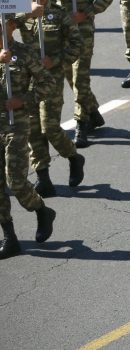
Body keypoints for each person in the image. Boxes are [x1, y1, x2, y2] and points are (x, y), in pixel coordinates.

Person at [16, 0, 86, 198]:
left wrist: (54, 60)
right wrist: (28, 15)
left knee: (49, 127)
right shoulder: (22, 13)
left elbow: (78, 45)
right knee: (33, 129)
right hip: (27, 80)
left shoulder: (59, 14)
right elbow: (4, 22)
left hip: (50, 79)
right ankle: (43, 176)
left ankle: (74, 157)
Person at [0, 15, 58, 259]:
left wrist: (22, 99)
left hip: (16, 125)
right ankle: (10, 237)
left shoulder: (22, 53)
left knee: (15, 182)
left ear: (12, 26)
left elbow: (48, 83)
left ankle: (41, 210)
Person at [55, 0, 113, 147]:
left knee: (80, 77)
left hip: (82, 30)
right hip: (60, 31)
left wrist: (86, 13)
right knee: (70, 76)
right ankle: (94, 112)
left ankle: (82, 123)